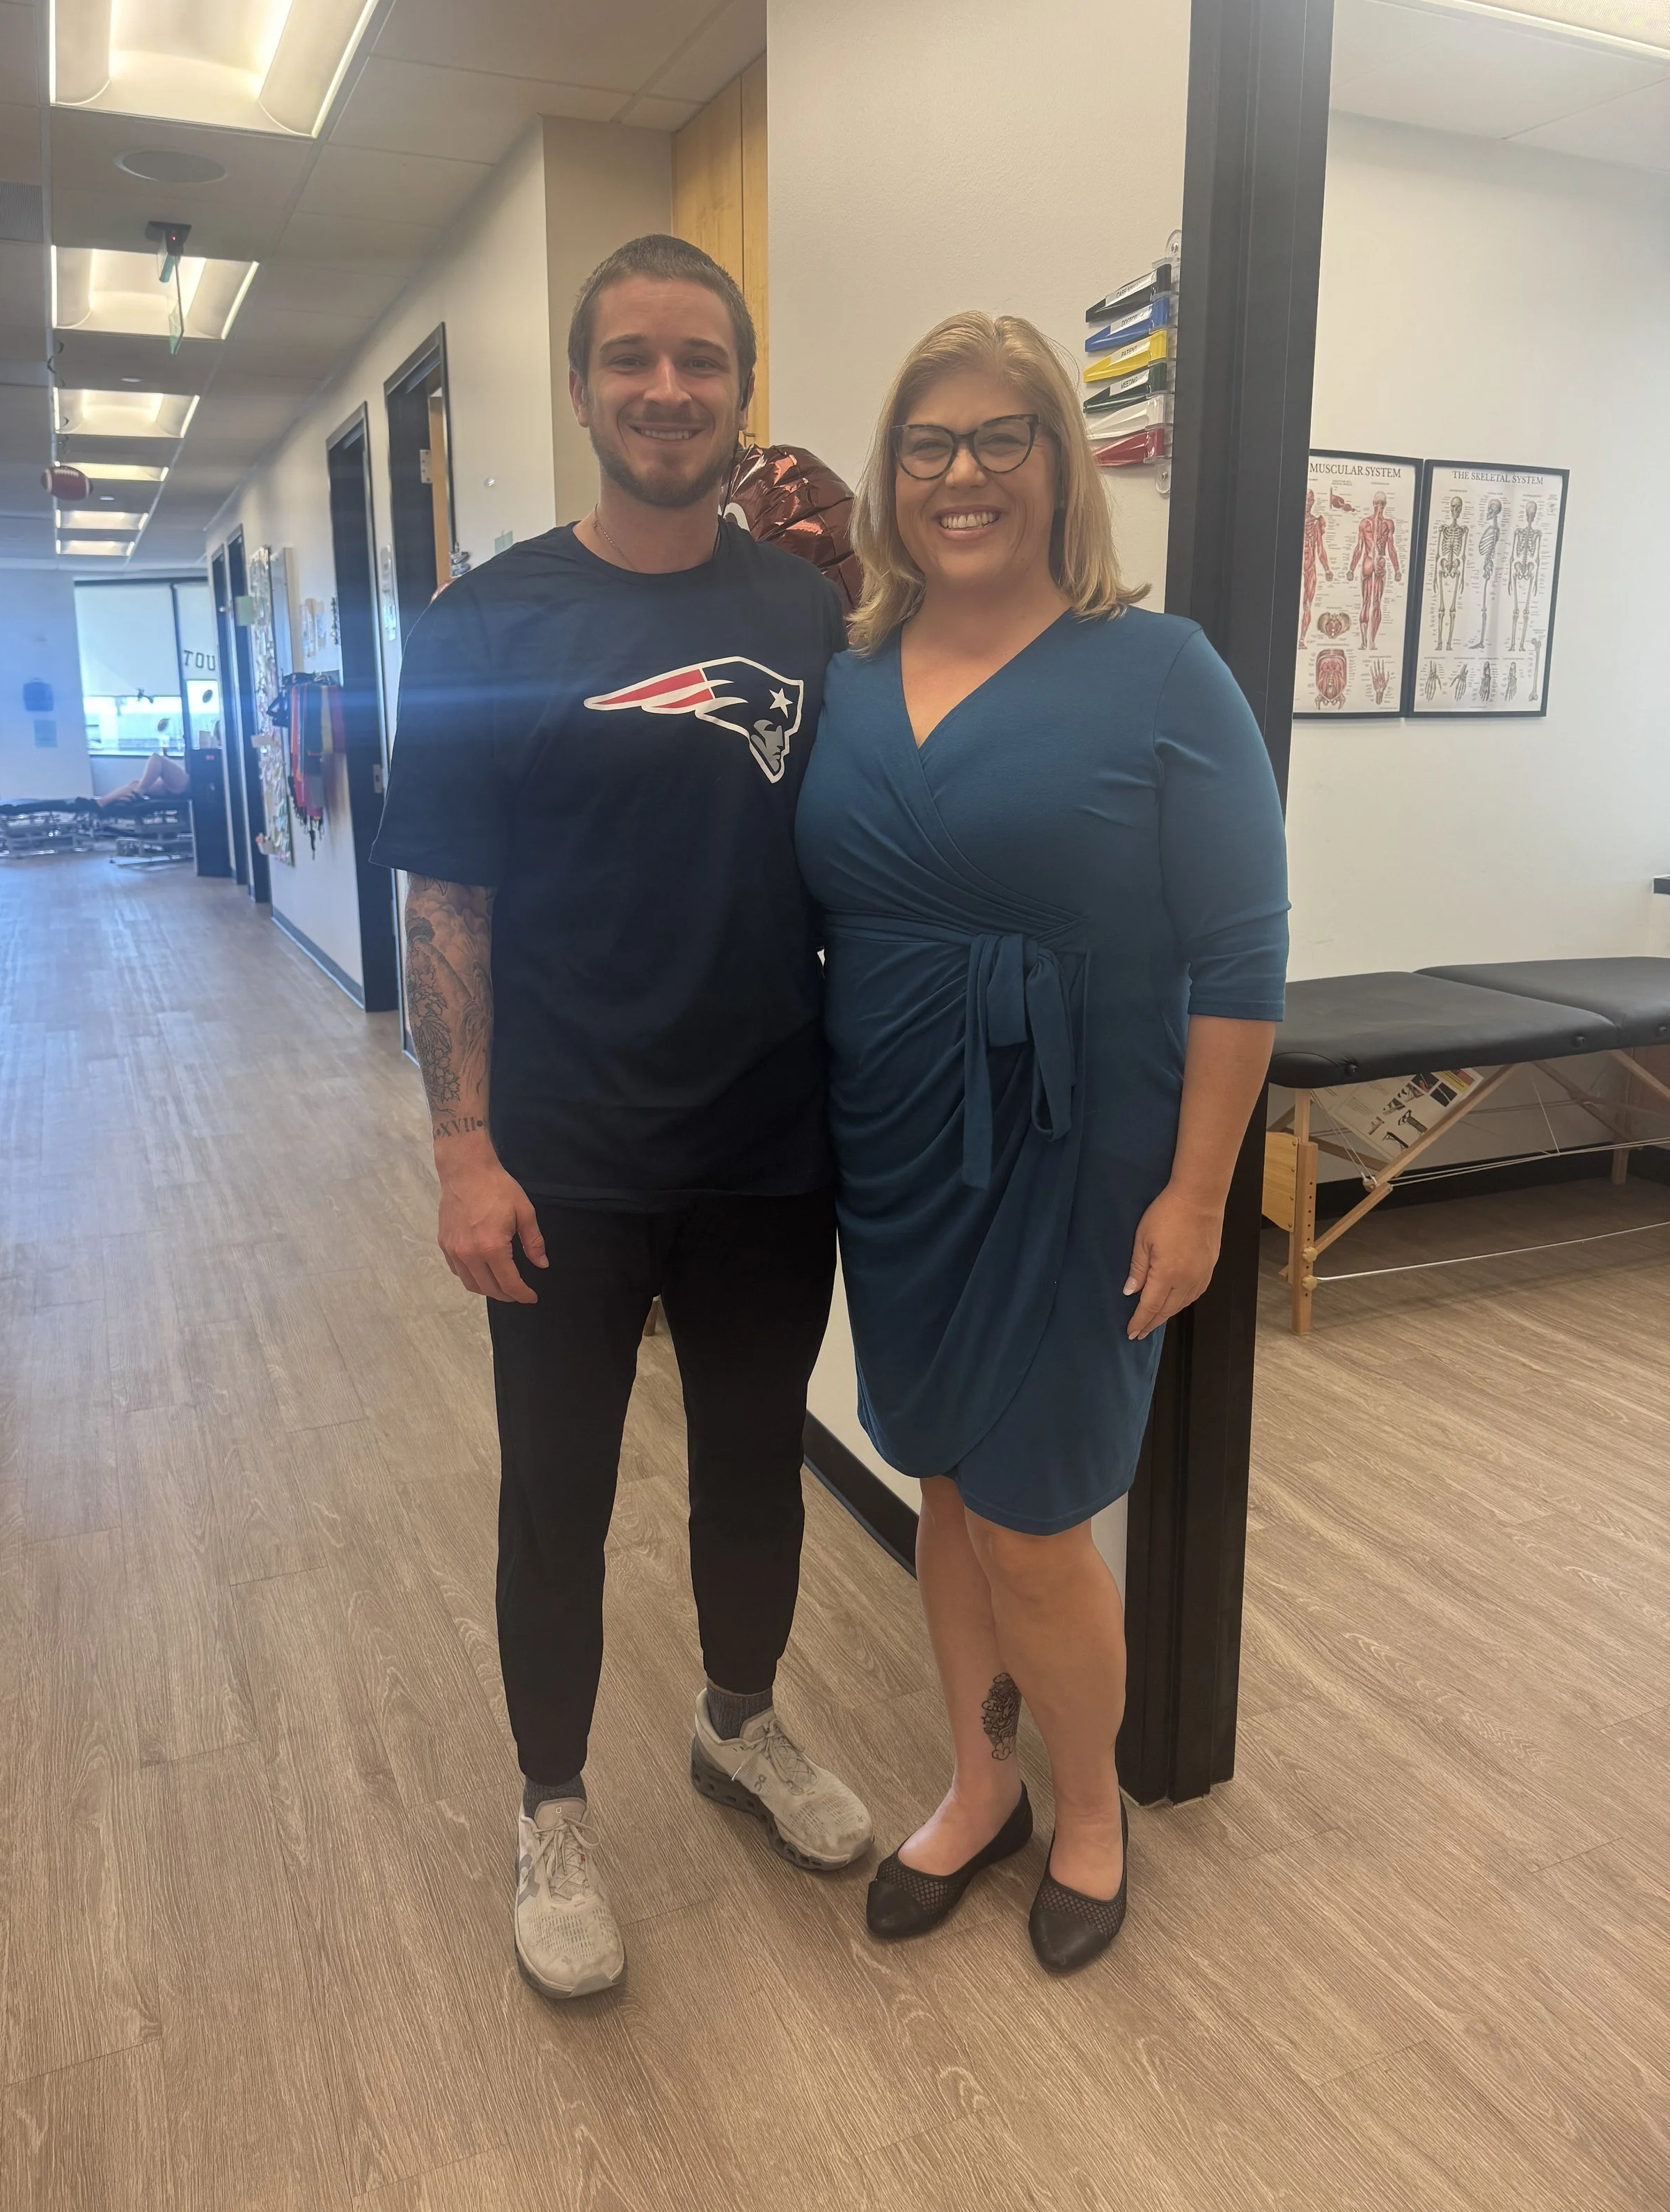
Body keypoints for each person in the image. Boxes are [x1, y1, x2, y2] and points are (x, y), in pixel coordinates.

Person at [370, 235, 871, 2004]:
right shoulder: (485, 620)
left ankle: (738, 1723)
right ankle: (553, 1805)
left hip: (768, 1145)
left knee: (753, 1468)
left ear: (741, 389)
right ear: (584, 386)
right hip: (563, 1155)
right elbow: (446, 900)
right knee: (556, 1496)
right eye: (634, 359)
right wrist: (460, 1147)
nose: (668, 389)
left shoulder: (809, 612)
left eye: (701, 360)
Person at [794, 312, 1287, 1975]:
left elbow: (1242, 956)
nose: (964, 473)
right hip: (894, 1150)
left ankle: (1089, 1810)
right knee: (942, 1480)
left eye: (1001, 436)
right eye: (928, 443)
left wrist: (1200, 1194)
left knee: (1032, 1514)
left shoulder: (1161, 671)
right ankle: (976, 1782)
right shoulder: (847, 676)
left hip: (1081, 1157)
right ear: (890, 476)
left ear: (1060, 463)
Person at [97, 729, 188, 803]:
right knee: (135, 784)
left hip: (189, 784)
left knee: (156, 758)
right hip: (179, 785)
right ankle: (101, 803)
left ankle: (139, 791)